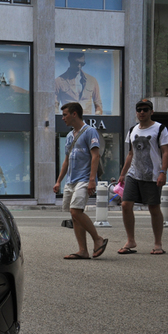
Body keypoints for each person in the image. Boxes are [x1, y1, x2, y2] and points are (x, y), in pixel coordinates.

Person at [53, 102, 108, 259]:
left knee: (76, 211)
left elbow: (96, 156)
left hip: (84, 179)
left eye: (65, 115)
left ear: (74, 114)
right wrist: (58, 181)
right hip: (71, 181)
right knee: (75, 215)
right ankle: (82, 250)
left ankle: (98, 239)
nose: (63, 118)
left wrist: (92, 180)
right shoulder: (70, 136)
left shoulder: (90, 132)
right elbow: (66, 160)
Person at [117, 99, 168, 255]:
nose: (142, 112)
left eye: (145, 109)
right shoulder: (133, 130)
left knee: (153, 208)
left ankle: (158, 244)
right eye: (139, 109)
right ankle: (131, 241)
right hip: (134, 174)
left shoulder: (160, 128)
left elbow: (165, 152)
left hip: (153, 175)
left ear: (151, 112)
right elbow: (130, 153)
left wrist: (163, 172)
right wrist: (123, 173)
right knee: (125, 205)